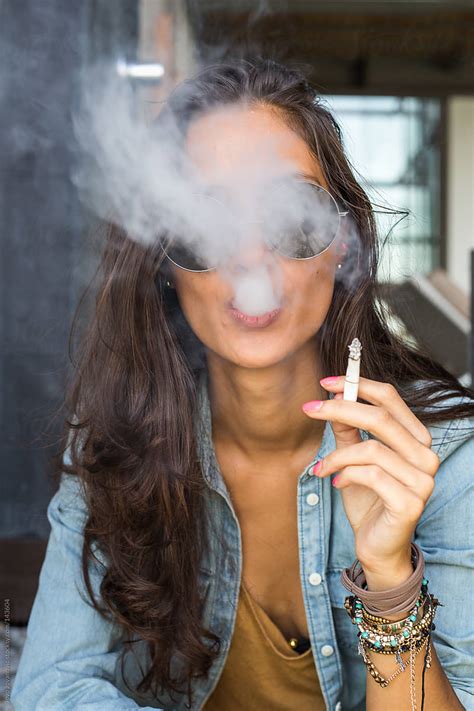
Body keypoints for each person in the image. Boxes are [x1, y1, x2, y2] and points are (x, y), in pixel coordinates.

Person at [11, 57, 474, 711]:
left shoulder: (446, 458)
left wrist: (391, 577)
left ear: (342, 242)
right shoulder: (119, 447)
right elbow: (52, 689)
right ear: (164, 257)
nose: (250, 256)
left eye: (290, 214)